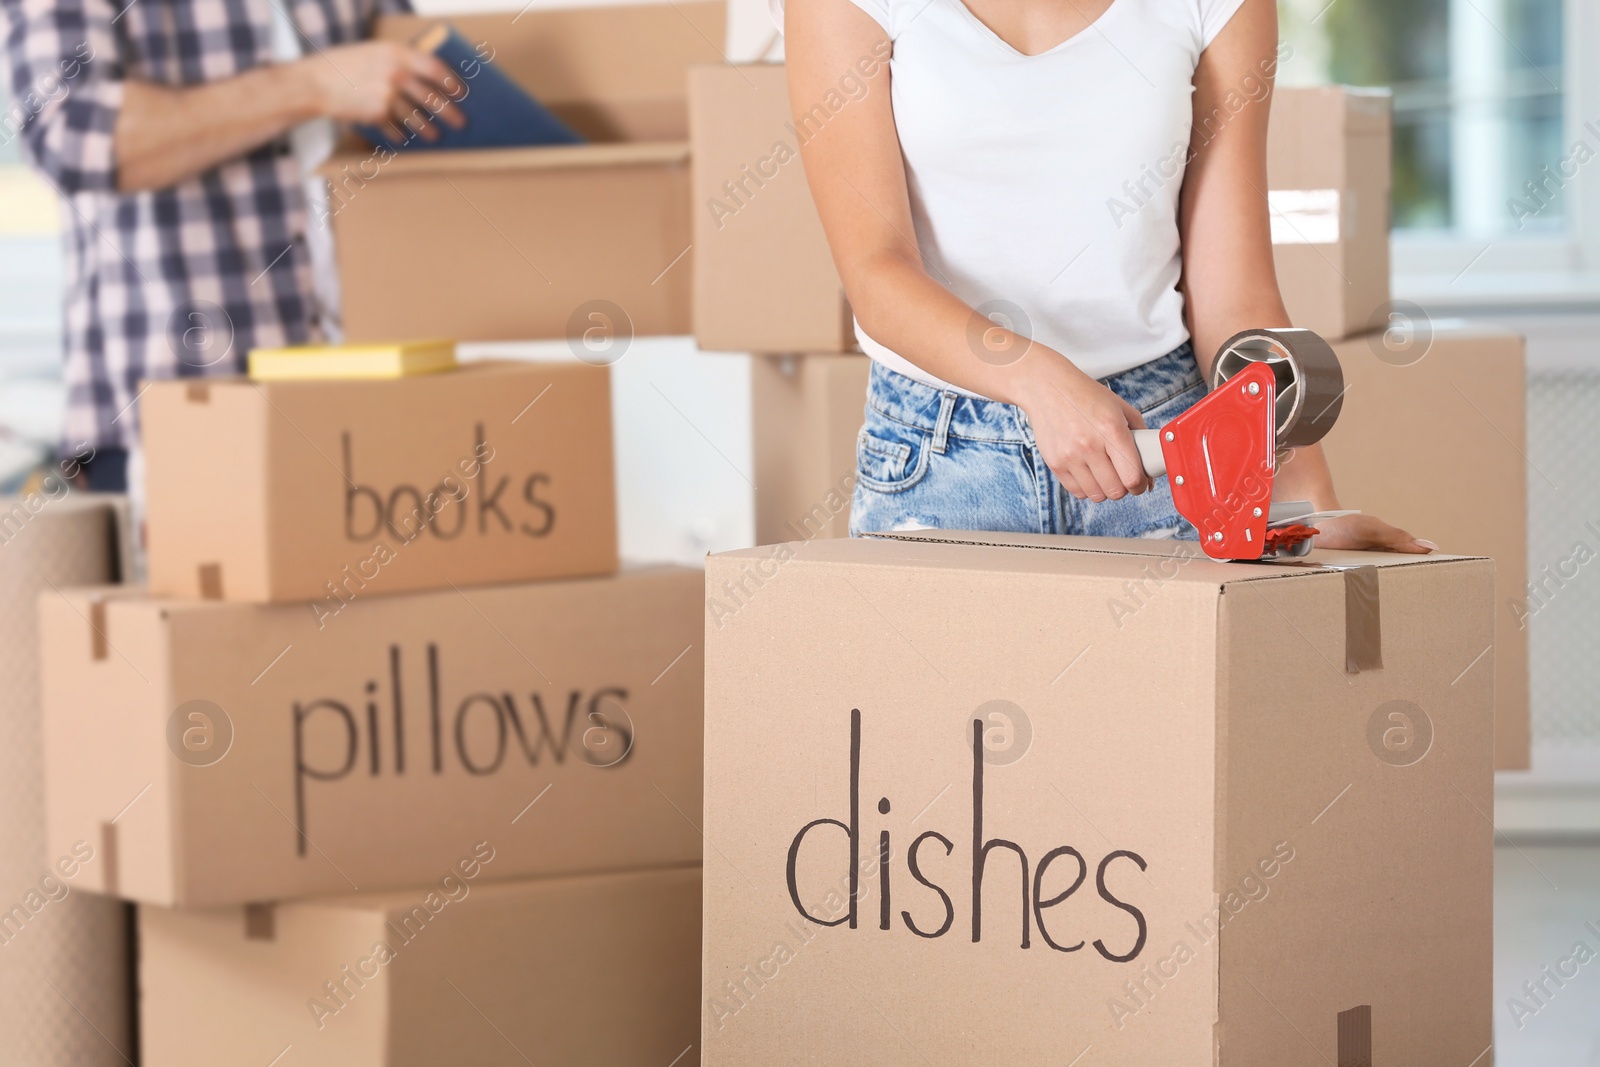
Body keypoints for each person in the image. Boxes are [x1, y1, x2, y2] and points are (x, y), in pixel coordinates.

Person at [781, 0, 1433, 552]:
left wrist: (1304, 503)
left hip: (1163, 456)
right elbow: (875, 273)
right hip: (941, 465)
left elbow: (1233, 298)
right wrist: (1036, 382)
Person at [3, 0, 463, 491]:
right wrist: (313, 86)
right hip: (180, 419)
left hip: (377, 399)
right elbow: (75, 134)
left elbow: (413, 84)